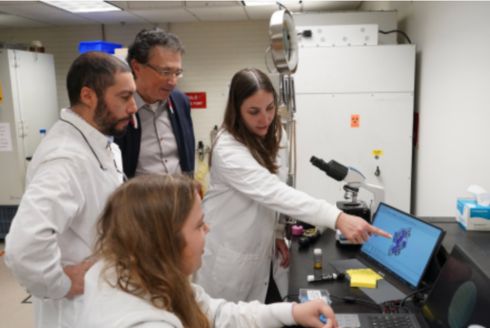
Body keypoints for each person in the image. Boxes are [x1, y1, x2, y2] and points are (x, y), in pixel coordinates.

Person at [195, 68, 391, 303]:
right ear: (237, 111)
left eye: (270, 108)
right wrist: (338, 218)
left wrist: (276, 232)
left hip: (262, 252)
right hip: (229, 254)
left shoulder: (275, 134)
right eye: (254, 112)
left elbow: (279, 184)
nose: (265, 119)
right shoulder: (227, 149)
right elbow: (275, 192)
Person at [77, 174, 338, 328]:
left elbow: (217, 313)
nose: (208, 229)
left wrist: (290, 312)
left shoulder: (127, 270)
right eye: (200, 224)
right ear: (166, 240)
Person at [4, 52, 137, 327]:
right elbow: (23, 247)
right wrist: (61, 283)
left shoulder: (102, 141)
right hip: (77, 310)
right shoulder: (66, 158)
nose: (133, 107)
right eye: (124, 97)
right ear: (88, 96)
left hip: (105, 294)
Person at [115, 27, 195, 178]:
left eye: (177, 73)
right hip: (137, 199)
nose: (172, 81)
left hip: (180, 197)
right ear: (137, 67)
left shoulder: (180, 102)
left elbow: (187, 158)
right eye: (165, 72)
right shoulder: (117, 109)